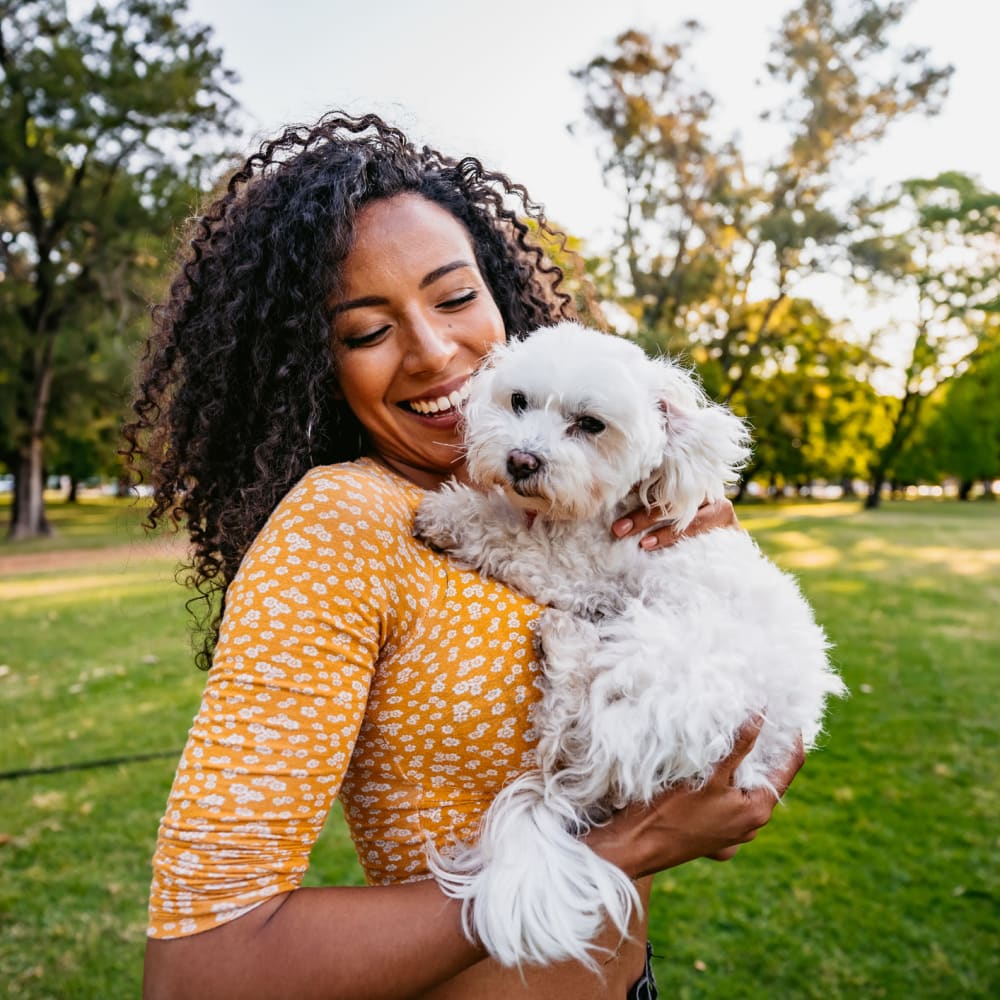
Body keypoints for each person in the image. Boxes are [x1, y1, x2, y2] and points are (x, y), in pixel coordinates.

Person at [125, 110, 804, 1000]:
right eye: (367, 331)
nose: (437, 353)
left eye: (455, 299)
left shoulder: (588, 499)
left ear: (502, 297)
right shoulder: (343, 523)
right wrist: (629, 847)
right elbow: (200, 970)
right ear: (309, 363)